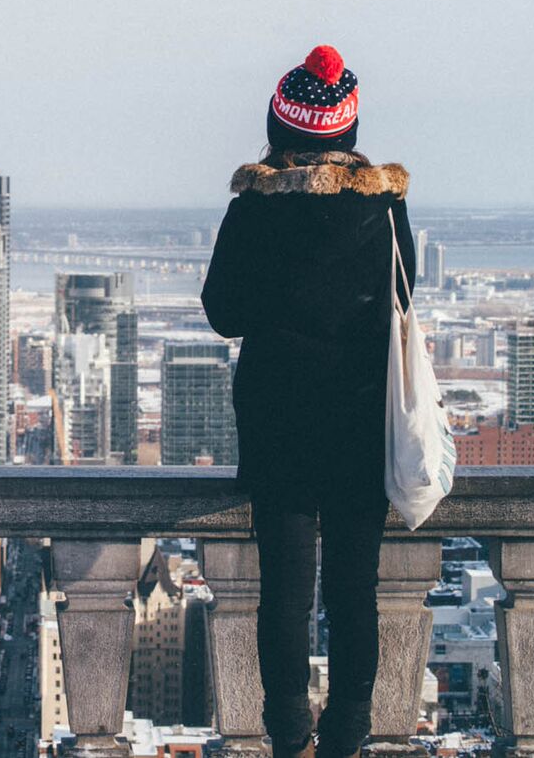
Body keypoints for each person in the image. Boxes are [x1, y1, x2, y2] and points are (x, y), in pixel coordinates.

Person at [200, 45, 416, 758]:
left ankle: (289, 731)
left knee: (286, 593)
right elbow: (405, 289)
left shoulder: (256, 206)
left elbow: (223, 311)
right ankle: (348, 731)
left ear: (280, 124)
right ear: (348, 132)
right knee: (356, 588)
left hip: (279, 421)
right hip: (360, 419)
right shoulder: (383, 206)